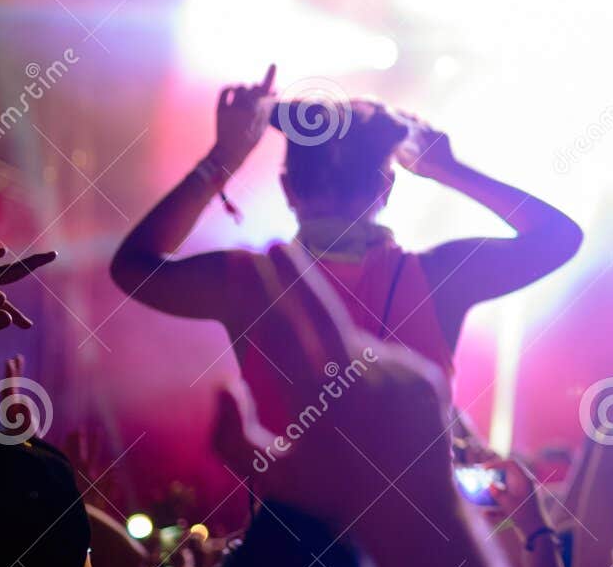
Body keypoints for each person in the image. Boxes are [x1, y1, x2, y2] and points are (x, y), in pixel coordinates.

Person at [110, 66, 583, 433]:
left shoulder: (249, 282)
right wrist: (449, 169)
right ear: (386, 188)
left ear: (288, 189)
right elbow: (559, 237)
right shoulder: (439, 278)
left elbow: (133, 268)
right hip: (414, 551)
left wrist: (222, 160)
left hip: (290, 552)